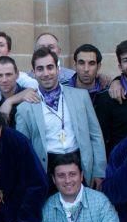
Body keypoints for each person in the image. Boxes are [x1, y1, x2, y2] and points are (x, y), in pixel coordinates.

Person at [16, 47, 106, 187]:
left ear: (58, 69)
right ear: (33, 73)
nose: (46, 73)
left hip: (79, 162)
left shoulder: (81, 96)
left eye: (50, 67)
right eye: (40, 69)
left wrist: (99, 171)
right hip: (46, 168)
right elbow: (22, 150)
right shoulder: (24, 108)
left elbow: (95, 135)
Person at [0, 56, 40, 127]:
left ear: (17, 75)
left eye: (8, 74)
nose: (4, 80)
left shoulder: (29, 98)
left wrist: (9, 101)